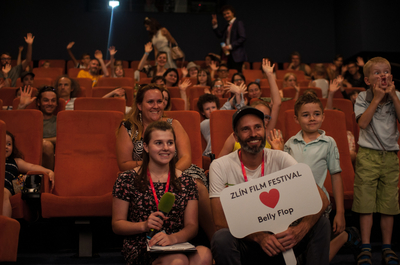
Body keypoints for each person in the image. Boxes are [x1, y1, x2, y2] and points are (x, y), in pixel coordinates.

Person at [209, 106, 330, 265]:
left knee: (321, 223)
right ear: (236, 137)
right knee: (221, 238)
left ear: (265, 130)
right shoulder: (220, 165)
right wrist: (259, 236)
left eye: (258, 127)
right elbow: (219, 221)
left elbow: (322, 199)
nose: (253, 134)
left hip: (284, 237)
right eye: (245, 129)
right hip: (247, 241)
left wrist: (301, 229)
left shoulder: (281, 158)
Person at [116, 84, 216, 241]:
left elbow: (186, 158)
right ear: (140, 105)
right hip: (144, 173)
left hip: (180, 169)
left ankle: (214, 239)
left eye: (159, 101)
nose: (156, 106)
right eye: (150, 102)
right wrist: (154, 170)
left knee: (198, 186)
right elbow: (123, 163)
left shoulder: (173, 124)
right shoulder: (129, 127)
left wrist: (169, 173)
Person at [112, 121, 212, 265]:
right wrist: (144, 225)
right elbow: (117, 225)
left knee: (205, 254)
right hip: (144, 245)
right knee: (178, 261)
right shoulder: (127, 179)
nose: (165, 148)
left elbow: (192, 226)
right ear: (146, 147)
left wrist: (173, 239)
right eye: (158, 143)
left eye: (170, 143)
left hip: (176, 242)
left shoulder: (187, 181)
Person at [283, 93, 361, 262]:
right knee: (299, 256)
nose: (312, 118)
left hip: (319, 206)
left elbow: (336, 176)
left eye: (316, 114)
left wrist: (340, 212)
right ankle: (344, 238)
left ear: (323, 116)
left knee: (317, 257)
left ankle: (344, 236)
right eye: (306, 115)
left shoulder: (329, 142)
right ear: (296, 119)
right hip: (295, 207)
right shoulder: (290, 143)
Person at [353, 57, 400, 265]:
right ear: (367, 79)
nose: (382, 75)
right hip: (368, 155)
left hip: (390, 156)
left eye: (386, 71)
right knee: (366, 202)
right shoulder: (363, 97)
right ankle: (365, 246)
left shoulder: (397, 95)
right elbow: (362, 123)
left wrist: (392, 96)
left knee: (389, 202)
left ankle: (387, 246)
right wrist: (376, 99)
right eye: (377, 72)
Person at [218, 59, 282, 158]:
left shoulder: (268, 134)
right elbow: (219, 162)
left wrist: (269, 75)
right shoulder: (234, 137)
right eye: (259, 115)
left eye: (266, 117)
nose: (262, 119)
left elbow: (277, 103)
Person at [3, 131, 55, 218]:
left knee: (3, 193)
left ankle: (4, 227)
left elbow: (32, 167)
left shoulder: (15, 161)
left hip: (5, 188)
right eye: (2, 143)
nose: (6, 147)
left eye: (9, 144)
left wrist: (49, 171)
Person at [16, 86, 58, 170]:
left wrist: (42, 141)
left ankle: (46, 179)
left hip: (50, 159)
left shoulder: (60, 120)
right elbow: (14, 130)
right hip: (27, 156)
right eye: (46, 100)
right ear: (38, 102)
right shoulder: (30, 119)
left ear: (56, 103)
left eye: (53, 100)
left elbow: (63, 139)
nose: (50, 103)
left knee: (47, 145)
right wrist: (21, 106)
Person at [212, 5, 247, 72]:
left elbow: (243, 37)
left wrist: (230, 46)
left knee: (236, 74)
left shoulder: (238, 23)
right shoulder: (227, 25)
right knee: (229, 74)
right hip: (228, 54)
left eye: (228, 13)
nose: (226, 16)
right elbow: (220, 35)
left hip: (236, 55)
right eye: (224, 14)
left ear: (233, 13)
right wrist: (215, 25)